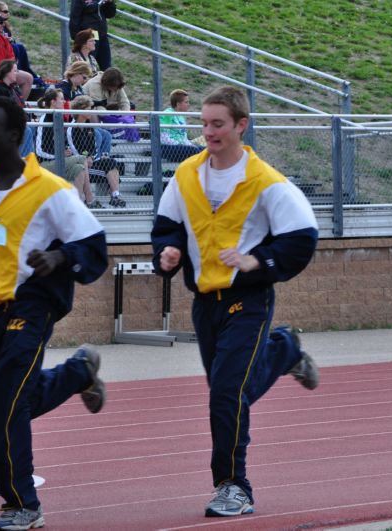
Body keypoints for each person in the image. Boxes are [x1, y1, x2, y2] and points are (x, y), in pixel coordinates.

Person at [0, 96, 109, 531]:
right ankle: (78, 372)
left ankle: (22, 505)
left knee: (2, 409)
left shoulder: (52, 189)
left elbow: (92, 246)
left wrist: (58, 258)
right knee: (17, 400)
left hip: (33, 306)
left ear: (14, 135)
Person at [151, 85, 320, 518]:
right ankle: (283, 350)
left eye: (218, 124)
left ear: (241, 125)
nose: (209, 132)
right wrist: (166, 255)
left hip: (249, 300)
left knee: (226, 394)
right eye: (204, 123)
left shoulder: (265, 181)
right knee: (230, 392)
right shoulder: (186, 175)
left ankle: (233, 486)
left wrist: (258, 260)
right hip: (205, 303)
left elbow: (302, 238)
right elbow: (167, 226)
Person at [68, 94, 124, 208]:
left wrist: (92, 157)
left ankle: (115, 196)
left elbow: (94, 146)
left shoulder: (90, 126)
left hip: (90, 161)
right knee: (87, 165)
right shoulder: (71, 127)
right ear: (80, 110)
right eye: (88, 109)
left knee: (111, 162)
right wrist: (85, 158)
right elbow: (73, 148)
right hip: (79, 164)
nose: (91, 111)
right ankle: (89, 200)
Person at [34, 88, 87, 184]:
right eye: (61, 99)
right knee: (82, 158)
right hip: (44, 163)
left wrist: (66, 150)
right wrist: (59, 154)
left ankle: (80, 199)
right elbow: (39, 151)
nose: (64, 101)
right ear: (53, 102)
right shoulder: (45, 119)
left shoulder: (58, 117)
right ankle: (89, 198)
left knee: (79, 169)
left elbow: (61, 143)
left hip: (58, 161)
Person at [0, 2, 39, 82]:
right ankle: (15, 71)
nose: (8, 13)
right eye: (5, 11)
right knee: (15, 47)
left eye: (8, 11)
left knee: (20, 47)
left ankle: (26, 71)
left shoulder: (5, 24)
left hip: (5, 48)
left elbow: (8, 37)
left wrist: (10, 40)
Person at [69, 0, 116, 71]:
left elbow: (110, 14)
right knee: (87, 66)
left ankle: (107, 81)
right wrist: (76, 37)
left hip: (102, 35)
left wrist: (110, 3)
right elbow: (74, 16)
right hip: (89, 35)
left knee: (107, 67)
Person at [160, 89, 203, 163]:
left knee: (204, 150)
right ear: (178, 104)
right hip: (168, 147)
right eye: (186, 102)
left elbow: (183, 137)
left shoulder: (181, 116)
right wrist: (182, 145)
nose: (188, 104)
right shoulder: (167, 115)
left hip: (181, 146)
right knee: (194, 150)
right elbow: (164, 138)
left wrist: (189, 144)